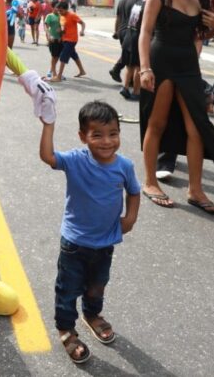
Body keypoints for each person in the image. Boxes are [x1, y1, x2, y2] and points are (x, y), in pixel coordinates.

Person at [38, 100, 140, 364]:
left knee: (97, 286)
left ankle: (92, 315)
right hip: (74, 243)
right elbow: (48, 157)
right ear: (83, 137)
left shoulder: (124, 166)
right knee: (67, 289)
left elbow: (134, 191)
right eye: (97, 135)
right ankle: (65, 328)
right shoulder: (75, 160)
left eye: (113, 134)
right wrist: (49, 123)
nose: (107, 141)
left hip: (105, 242)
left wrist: (130, 217)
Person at [138, 0, 214, 212]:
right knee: (157, 122)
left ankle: (196, 190)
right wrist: (144, 69)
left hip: (188, 65)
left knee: (196, 127)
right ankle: (150, 181)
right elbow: (145, 32)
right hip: (161, 60)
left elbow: (200, 34)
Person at [109, 0, 149, 86]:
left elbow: (118, 17)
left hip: (122, 31)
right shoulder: (138, 2)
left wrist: (116, 31)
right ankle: (122, 75)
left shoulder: (122, 0)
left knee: (127, 55)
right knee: (133, 58)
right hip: (131, 31)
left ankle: (123, 76)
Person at [119, 0, 152, 101]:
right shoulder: (147, 6)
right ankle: (137, 91)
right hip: (137, 38)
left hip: (128, 36)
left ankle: (125, 87)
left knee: (129, 66)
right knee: (139, 67)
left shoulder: (137, 3)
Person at [50, 2, 87, 82]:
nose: (59, 12)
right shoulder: (61, 16)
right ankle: (82, 71)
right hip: (64, 39)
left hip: (72, 40)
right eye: (59, 11)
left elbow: (83, 23)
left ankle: (59, 77)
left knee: (63, 56)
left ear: (66, 9)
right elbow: (64, 28)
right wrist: (61, 31)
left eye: (61, 10)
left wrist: (82, 31)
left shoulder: (72, 15)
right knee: (74, 55)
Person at [43, 2, 63, 80]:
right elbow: (46, 28)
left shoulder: (61, 16)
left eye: (58, 8)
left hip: (60, 39)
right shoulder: (49, 16)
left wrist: (61, 35)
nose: (57, 9)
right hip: (53, 39)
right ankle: (54, 73)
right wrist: (49, 36)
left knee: (58, 56)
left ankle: (51, 70)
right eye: (56, 7)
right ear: (52, 8)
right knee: (53, 56)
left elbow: (63, 27)